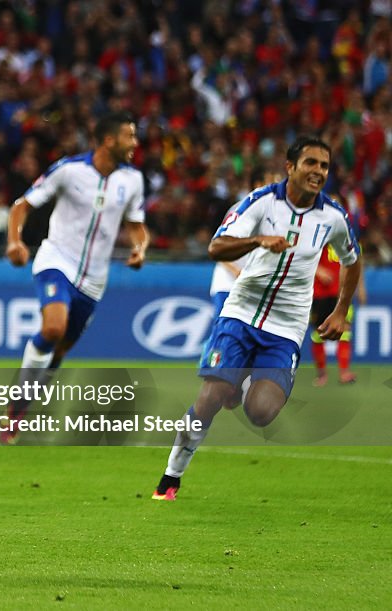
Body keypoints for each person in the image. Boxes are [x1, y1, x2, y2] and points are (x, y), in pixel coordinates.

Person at [153, 136, 361, 501]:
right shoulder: (261, 203)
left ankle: (245, 377)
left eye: (324, 166)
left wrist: (341, 310)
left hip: (287, 326)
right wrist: (258, 240)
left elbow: (352, 260)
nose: (318, 172)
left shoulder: (333, 216)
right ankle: (172, 475)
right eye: (310, 163)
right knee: (212, 396)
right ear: (291, 167)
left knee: (262, 413)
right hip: (242, 310)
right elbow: (216, 247)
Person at [1, 112, 149, 444]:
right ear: (109, 140)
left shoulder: (133, 180)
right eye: (130, 136)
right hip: (57, 260)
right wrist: (15, 241)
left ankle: (25, 402)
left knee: (61, 349)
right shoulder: (69, 170)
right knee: (53, 328)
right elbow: (21, 205)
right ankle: (17, 402)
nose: (135, 144)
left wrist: (140, 248)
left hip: (95, 278)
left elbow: (137, 224)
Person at [310, 243, 367, 386]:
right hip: (320, 294)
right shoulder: (321, 235)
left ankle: (344, 372)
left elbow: (357, 264)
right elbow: (302, 258)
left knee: (345, 332)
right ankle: (322, 373)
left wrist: (360, 288)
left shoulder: (352, 239)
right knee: (319, 334)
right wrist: (319, 270)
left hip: (343, 295)